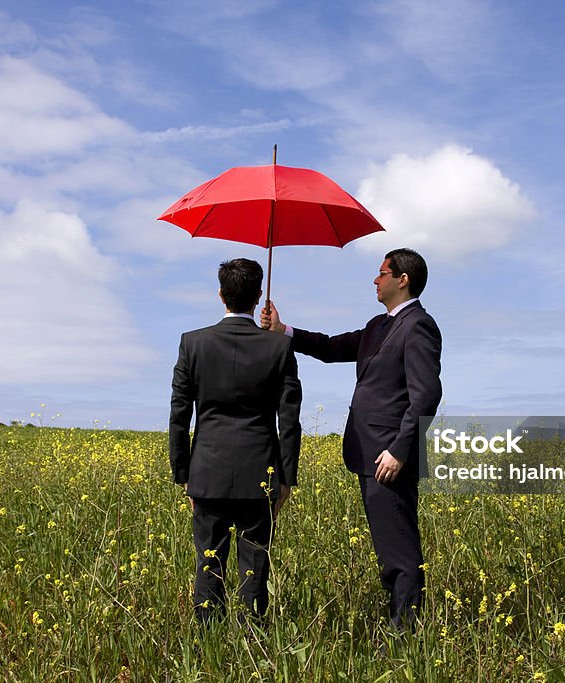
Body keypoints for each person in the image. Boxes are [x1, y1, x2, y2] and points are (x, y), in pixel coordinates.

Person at [261, 248, 442, 629]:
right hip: (369, 451)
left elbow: (426, 396)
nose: (375, 281)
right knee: (386, 543)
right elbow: (330, 348)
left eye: (381, 273)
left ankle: (406, 632)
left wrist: (400, 451)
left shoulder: (419, 326)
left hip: (390, 456)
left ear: (402, 279)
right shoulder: (379, 325)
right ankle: (398, 619)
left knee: (398, 544)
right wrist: (283, 331)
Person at [169, 258, 302, 624]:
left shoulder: (192, 344)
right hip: (260, 472)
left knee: (207, 562)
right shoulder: (278, 348)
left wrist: (183, 474)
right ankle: (251, 647)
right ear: (259, 296)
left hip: (206, 472)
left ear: (220, 295)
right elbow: (289, 419)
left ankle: (209, 645)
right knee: (254, 568)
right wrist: (286, 479)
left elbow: (179, 415)